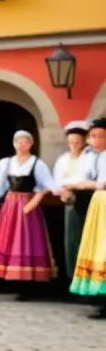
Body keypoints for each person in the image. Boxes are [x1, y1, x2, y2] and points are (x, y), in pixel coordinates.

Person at [0, 130, 61, 287]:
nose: (22, 144)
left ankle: (28, 278)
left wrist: (60, 191)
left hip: (27, 204)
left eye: (25, 141)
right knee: (10, 238)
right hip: (10, 205)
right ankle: (12, 277)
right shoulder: (7, 162)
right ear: (14, 144)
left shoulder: (37, 163)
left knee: (27, 239)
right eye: (18, 141)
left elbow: (48, 183)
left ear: (31, 144)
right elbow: (0, 184)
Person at [68, 117, 106, 318]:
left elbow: (102, 183)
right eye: (92, 136)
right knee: (96, 247)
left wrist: (85, 184)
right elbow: (79, 180)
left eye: (99, 136)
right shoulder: (91, 156)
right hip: (98, 204)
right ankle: (98, 297)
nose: (95, 140)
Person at [54, 121, 91, 280]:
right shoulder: (63, 160)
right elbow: (56, 181)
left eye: (77, 142)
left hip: (89, 198)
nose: (74, 145)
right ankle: (73, 276)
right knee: (72, 240)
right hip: (70, 201)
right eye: (71, 142)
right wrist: (62, 191)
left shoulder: (92, 158)